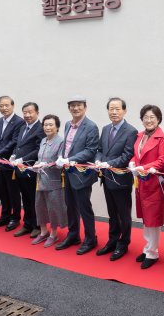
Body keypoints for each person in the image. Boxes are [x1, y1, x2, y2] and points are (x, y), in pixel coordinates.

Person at [55, 95, 100, 254]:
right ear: (69, 108)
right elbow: (66, 145)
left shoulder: (91, 126)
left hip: (81, 173)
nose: (75, 108)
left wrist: (69, 159)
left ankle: (90, 239)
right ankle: (73, 234)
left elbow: (90, 150)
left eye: (79, 105)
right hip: (67, 172)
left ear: (85, 107)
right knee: (70, 205)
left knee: (84, 207)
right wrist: (61, 156)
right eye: (72, 106)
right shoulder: (68, 124)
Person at [94, 98, 138, 261]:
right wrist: (98, 160)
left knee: (123, 214)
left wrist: (109, 163)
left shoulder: (131, 131)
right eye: (111, 109)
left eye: (117, 109)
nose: (114, 112)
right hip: (106, 178)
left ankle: (123, 243)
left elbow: (127, 155)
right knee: (112, 213)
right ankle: (112, 240)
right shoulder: (105, 129)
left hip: (121, 180)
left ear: (124, 111)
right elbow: (99, 149)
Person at [130, 105, 164, 269]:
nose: (149, 120)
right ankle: (148, 248)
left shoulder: (163, 138)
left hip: (154, 182)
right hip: (141, 182)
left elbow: (162, 160)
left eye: (152, 117)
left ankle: (152, 252)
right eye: (145, 117)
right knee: (146, 218)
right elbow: (136, 154)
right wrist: (132, 162)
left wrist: (144, 168)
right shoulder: (139, 135)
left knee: (153, 218)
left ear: (158, 119)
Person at [10, 102, 46, 238]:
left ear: (37, 112)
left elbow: (38, 149)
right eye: (25, 112)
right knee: (25, 198)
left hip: (31, 170)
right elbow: (18, 145)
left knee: (34, 199)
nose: (27, 115)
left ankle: (37, 225)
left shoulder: (40, 128)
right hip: (20, 170)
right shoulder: (22, 127)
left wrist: (23, 159)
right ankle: (27, 224)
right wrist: (14, 154)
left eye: (30, 112)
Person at [0, 96, 25, 232]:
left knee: (13, 191)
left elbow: (14, 142)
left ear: (13, 105)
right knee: (2, 190)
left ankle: (15, 218)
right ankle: (4, 216)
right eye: (1, 106)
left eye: (6, 105)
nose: (4, 108)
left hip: (10, 162)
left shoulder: (19, 122)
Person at [31, 115, 67, 247]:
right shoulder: (43, 141)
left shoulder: (61, 142)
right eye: (45, 125)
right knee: (39, 206)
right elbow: (40, 159)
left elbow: (59, 163)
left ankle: (53, 233)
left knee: (53, 208)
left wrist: (44, 165)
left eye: (51, 125)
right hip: (40, 179)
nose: (48, 127)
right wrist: (36, 164)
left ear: (57, 127)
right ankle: (43, 231)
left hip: (53, 180)